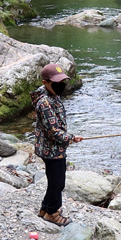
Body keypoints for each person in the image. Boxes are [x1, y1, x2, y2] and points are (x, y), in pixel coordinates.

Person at [32, 62, 82, 226]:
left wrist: (69, 137)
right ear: (45, 83)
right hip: (51, 150)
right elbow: (53, 131)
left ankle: (45, 208)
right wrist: (71, 138)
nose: (60, 86)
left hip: (54, 148)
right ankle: (53, 213)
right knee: (57, 182)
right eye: (56, 83)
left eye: (62, 82)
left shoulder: (52, 95)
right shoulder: (44, 103)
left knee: (54, 181)